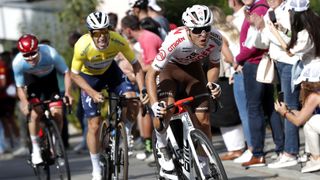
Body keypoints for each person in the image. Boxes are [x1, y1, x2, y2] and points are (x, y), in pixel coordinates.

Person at [70, 11, 147, 180]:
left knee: (132, 99)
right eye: (97, 33)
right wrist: (92, 92)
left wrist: (142, 90)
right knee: (94, 124)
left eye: (105, 31)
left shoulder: (117, 40)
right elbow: (74, 75)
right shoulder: (82, 46)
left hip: (111, 72)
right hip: (89, 78)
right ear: (90, 33)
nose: (102, 37)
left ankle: (125, 130)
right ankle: (96, 167)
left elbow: (136, 66)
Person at [146, 5, 222, 174]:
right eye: (197, 30)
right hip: (168, 71)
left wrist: (212, 83)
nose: (203, 34)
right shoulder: (175, 40)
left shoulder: (215, 37)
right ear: (188, 29)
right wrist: (154, 104)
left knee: (204, 120)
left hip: (192, 71)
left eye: (206, 29)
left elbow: (214, 64)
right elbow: (150, 74)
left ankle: (204, 165)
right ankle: (163, 146)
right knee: (167, 109)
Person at [245, 0, 301, 168]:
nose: (269, 0)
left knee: (289, 106)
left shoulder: (289, 10)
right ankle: (289, 151)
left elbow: (289, 40)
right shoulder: (271, 12)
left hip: (290, 62)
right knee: (284, 105)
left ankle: (291, 152)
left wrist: (264, 27)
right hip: (279, 63)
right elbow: (260, 44)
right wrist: (259, 27)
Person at [236, 0, 285, 167]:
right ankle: (281, 149)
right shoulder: (261, 7)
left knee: (254, 108)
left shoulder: (260, 8)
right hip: (262, 62)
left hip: (255, 63)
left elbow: (254, 43)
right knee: (269, 107)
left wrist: (238, 59)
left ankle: (258, 153)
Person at [12, 34, 73, 165]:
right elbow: (20, 87)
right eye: (26, 55)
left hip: (49, 81)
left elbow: (66, 72)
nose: (30, 58)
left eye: (33, 53)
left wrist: (68, 93)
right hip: (32, 81)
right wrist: (24, 103)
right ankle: (35, 149)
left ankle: (57, 144)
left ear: (38, 49)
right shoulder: (17, 62)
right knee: (35, 113)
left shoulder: (50, 54)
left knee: (58, 113)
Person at [121, 14, 163, 161]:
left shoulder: (147, 38)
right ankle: (151, 148)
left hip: (159, 78)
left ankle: (160, 150)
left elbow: (153, 66)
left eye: (123, 30)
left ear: (127, 30)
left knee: (156, 113)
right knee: (147, 112)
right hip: (152, 78)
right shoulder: (143, 38)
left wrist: (133, 71)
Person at [209, 5, 246, 161]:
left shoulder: (216, 34)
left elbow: (228, 55)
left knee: (224, 114)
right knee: (233, 112)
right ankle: (238, 147)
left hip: (227, 75)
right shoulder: (230, 29)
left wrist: (234, 66)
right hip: (236, 73)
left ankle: (236, 149)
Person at [275, 62, 320, 173]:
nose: (301, 86)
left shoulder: (314, 96)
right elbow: (302, 114)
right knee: (310, 120)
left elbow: (298, 121)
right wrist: (288, 111)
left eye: (302, 82)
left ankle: (316, 158)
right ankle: (312, 157)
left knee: (309, 122)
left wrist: (285, 113)